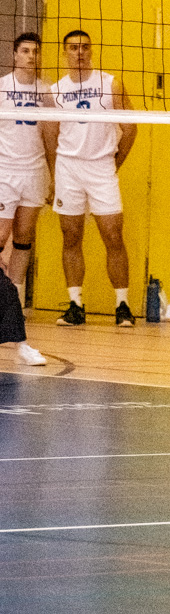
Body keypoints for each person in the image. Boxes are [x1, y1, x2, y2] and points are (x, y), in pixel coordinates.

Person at [42, 29, 137, 327]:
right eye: (72, 47)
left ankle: (122, 306)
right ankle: (75, 305)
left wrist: (114, 163)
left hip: (101, 168)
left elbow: (131, 127)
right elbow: (49, 135)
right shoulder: (55, 91)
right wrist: (54, 174)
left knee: (113, 236)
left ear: (91, 50)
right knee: (71, 237)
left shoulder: (110, 84)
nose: (79, 52)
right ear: (64, 53)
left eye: (84, 47)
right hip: (69, 168)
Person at [0, 32, 48, 365]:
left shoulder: (46, 91)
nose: (30, 56)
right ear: (15, 55)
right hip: (5, 170)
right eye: (25, 51)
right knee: (1, 237)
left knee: (24, 238)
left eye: (35, 52)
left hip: (35, 172)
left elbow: (54, 131)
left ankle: (13, 300)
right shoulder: (2, 86)